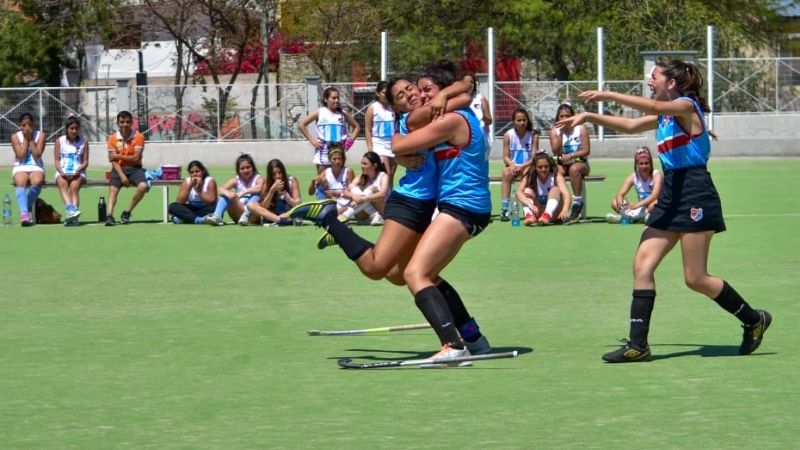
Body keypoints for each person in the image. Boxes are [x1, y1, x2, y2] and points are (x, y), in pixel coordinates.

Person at [556, 59, 771, 363]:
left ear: (671, 82)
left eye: (653, 76)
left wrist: (607, 94)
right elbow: (631, 125)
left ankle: (753, 319)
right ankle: (638, 345)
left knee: (695, 277)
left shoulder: (685, 105)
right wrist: (589, 116)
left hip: (695, 191)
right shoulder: (666, 117)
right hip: (671, 192)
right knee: (642, 265)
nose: (649, 80)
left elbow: (655, 109)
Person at [290, 70, 491, 360]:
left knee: (406, 274)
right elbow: (401, 142)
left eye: (416, 88)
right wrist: (448, 95)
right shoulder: (414, 118)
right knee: (384, 270)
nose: (415, 94)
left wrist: (449, 92)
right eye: (403, 95)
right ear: (395, 108)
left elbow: (466, 88)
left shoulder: (436, 111)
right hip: (411, 202)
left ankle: (464, 340)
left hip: (436, 205)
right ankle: (331, 219)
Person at [297, 86, 361, 176]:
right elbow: (301, 125)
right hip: (323, 149)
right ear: (326, 99)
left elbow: (357, 127)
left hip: (338, 149)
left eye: (338, 98)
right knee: (322, 179)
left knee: (338, 177)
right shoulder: (320, 112)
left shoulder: (343, 113)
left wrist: (349, 142)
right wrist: (312, 141)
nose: (336, 100)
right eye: (333, 98)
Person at [105, 110, 148, 226]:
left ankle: (127, 212)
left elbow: (136, 158)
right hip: (118, 169)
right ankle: (109, 216)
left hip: (135, 169)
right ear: (117, 124)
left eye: (127, 122)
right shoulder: (112, 138)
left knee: (143, 186)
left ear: (132, 123)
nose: (125, 125)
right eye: (122, 122)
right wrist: (122, 176)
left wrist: (118, 155)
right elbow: (113, 161)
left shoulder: (139, 137)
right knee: (113, 189)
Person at [549, 103, 591, 221]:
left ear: (573, 117)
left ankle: (577, 202)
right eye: (561, 116)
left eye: (567, 116)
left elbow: (586, 150)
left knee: (574, 169)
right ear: (557, 118)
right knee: (557, 171)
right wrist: (561, 134)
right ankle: (560, 205)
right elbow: (556, 151)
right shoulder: (554, 131)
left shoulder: (580, 129)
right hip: (563, 164)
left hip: (580, 164)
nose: (564, 119)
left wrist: (571, 155)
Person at [606, 146, 663, 224]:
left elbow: (655, 195)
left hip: (652, 205)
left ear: (651, 163)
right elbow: (620, 194)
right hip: (641, 207)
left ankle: (626, 218)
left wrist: (636, 205)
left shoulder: (656, 174)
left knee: (653, 205)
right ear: (636, 164)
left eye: (647, 163)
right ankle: (632, 217)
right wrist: (621, 205)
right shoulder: (633, 176)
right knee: (614, 202)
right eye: (641, 164)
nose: (644, 166)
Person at [500, 108, 539, 221]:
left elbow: (534, 157)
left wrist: (524, 166)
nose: (522, 123)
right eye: (519, 120)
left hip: (527, 167)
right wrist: (512, 165)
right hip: (514, 166)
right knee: (506, 172)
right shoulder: (508, 135)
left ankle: (528, 209)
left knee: (528, 174)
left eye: (524, 120)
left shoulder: (533, 135)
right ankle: (505, 209)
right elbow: (505, 156)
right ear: (513, 121)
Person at [202, 153, 262, 226]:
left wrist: (244, 192)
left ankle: (246, 215)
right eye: (242, 168)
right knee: (226, 195)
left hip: (253, 215)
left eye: (248, 167)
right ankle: (217, 216)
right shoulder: (236, 180)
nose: (245, 170)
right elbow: (220, 189)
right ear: (238, 170)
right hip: (238, 214)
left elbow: (260, 187)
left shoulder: (258, 178)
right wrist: (227, 193)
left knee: (256, 195)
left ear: (253, 167)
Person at [10, 112, 46, 226]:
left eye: (29, 124)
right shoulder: (15, 137)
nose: (27, 127)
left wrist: (30, 139)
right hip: (20, 165)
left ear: (33, 124)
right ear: (20, 125)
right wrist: (25, 139)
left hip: (36, 165)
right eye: (24, 125)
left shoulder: (41, 135)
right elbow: (21, 156)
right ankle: (24, 214)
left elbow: (37, 155)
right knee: (20, 183)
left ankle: (27, 206)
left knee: (37, 181)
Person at [516, 152, 570, 226]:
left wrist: (565, 210)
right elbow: (518, 192)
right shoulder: (529, 176)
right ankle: (529, 215)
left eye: (546, 166)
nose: (543, 169)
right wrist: (530, 205)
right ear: (535, 167)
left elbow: (566, 194)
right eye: (540, 167)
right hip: (538, 210)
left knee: (555, 189)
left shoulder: (556, 176)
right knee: (527, 191)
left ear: (550, 166)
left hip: (554, 213)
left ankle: (547, 214)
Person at [53, 115, 89, 225]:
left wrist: (79, 170)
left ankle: (74, 218)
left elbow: (85, 162)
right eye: (71, 128)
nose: (74, 131)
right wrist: (61, 172)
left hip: (78, 172)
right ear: (66, 129)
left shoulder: (84, 141)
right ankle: (71, 210)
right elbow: (57, 160)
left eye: (76, 129)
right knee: (62, 183)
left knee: (74, 187)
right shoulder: (60, 141)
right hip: (63, 171)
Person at [338, 151, 389, 225]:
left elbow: (383, 194)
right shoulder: (361, 177)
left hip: (381, 209)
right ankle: (375, 215)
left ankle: (345, 216)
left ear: (374, 166)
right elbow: (345, 193)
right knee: (352, 186)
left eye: (365, 164)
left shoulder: (383, 176)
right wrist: (354, 196)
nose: (362, 166)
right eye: (362, 163)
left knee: (372, 188)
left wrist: (362, 199)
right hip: (363, 213)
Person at [246, 158, 301, 226]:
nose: (277, 176)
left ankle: (282, 219)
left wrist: (286, 196)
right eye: (274, 174)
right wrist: (272, 190)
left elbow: (298, 205)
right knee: (251, 205)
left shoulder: (292, 181)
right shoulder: (267, 183)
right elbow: (263, 208)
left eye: (280, 173)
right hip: (271, 215)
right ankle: (279, 220)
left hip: (287, 214)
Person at [364, 81, 397, 187]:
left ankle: (389, 198)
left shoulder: (394, 107)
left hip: (392, 144)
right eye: (384, 92)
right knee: (385, 173)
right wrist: (370, 148)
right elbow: (368, 129)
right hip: (378, 143)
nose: (386, 95)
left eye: (388, 93)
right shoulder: (373, 108)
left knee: (391, 175)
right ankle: (381, 198)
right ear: (378, 93)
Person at [309, 144, 354, 214]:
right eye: (334, 159)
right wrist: (313, 182)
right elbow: (311, 193)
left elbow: (353, 192)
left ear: (342, 160)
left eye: (339, 158)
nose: (337, 161)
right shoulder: (326, 172)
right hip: (334, 203)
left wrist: (338, 194)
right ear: (329, 160)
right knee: (319, 189)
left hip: (347, 203)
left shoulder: (348, 171)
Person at [463, 73, 493, 143]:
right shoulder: (456, 99)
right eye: (466, 82)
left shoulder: (480, 98)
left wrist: (481, 116)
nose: (470, 85)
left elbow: (489, 121)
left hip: (481, 138)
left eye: (471, 82)